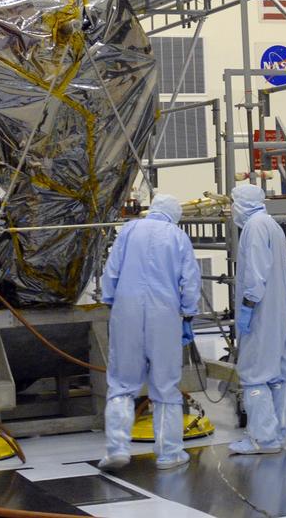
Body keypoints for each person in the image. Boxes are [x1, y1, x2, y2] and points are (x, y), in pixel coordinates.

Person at [98, 194, 201, 471]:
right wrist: (188, 313)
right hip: (164, 314)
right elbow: (190, 280)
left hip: (127, 311)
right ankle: (169, 453)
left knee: (121, 383)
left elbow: (111, 271)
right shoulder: (178, 237)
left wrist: (110, 299)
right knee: (165, 385)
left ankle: (117, 449)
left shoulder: (130, 230)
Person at [229, 183, 286, 456]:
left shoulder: (254, 227)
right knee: (277, 374)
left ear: (242, 203)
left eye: (233, 202)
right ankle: (276, 433)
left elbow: (255, 273)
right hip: (280, 309)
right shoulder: (271, 224)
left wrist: (248, 305)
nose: (232, 208)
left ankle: (262, 438)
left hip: (261, 310)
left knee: (254, 374)